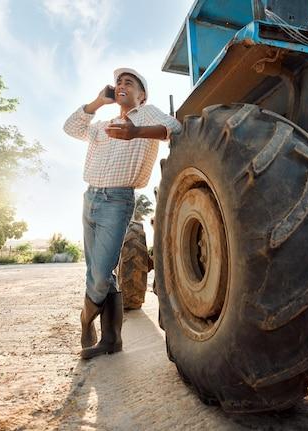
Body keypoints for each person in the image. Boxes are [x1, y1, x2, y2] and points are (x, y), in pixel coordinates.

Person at [63, 68, 182, 360]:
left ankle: (85, 316)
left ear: (141, 95)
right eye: (117, 82)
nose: (121, 85)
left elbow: (176, 129)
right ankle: (112, 340)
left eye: (129, 82)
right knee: (97, 270)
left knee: (101, 274)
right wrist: (96, 103)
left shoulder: (147, 114)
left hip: (117, 200)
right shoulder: (103, 124)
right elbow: (70, 128)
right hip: (90, 198)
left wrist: (137, 132)